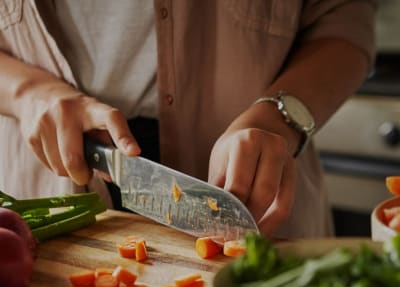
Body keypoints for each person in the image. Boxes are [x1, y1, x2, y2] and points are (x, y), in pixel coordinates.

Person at [0, 1, 376, 239]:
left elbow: (345, 23)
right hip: (51, 184)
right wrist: (28, 93)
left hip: (257, 188)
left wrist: (278, 118)